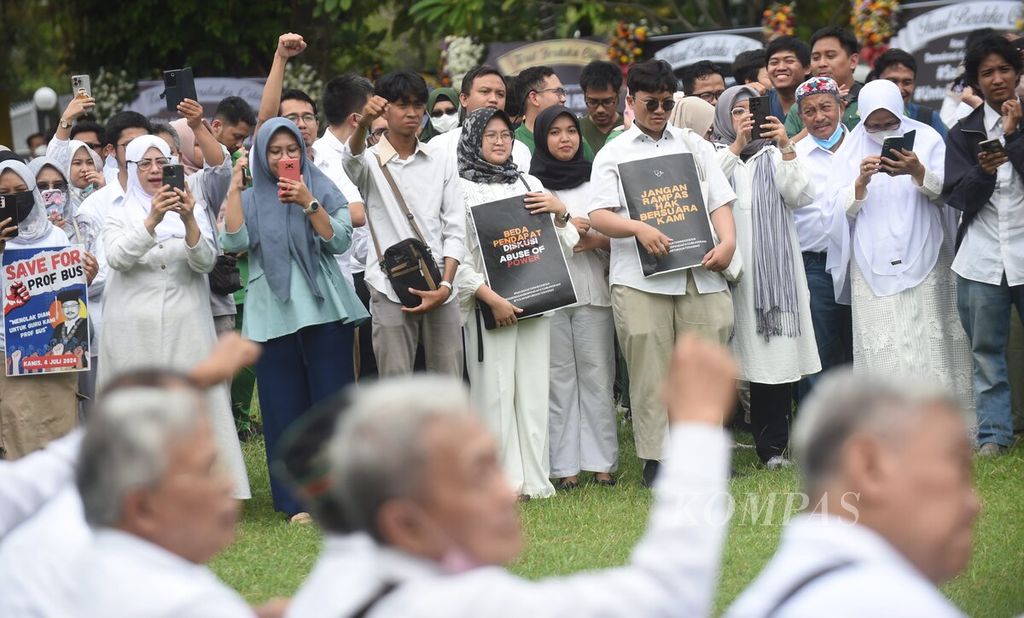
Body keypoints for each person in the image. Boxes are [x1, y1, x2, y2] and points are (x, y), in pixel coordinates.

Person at [287, 334, 737, 618]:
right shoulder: (455, 604)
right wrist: (697, 428)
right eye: (477, 475)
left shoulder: (346, 567)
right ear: (404, 525)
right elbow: (669, 596)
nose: (507, 490)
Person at [588, 59, 737, 485]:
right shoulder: (613, 152)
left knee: (705, 369)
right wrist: (636, 227)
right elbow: (598, 214)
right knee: (650, 371)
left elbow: (719, 203)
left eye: (667, 103)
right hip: (639, 278)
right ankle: (658, 460)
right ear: (630, 101)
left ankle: (706, 455)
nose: (659, 110)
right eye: (651, 103)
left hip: (700, 272)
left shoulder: (695, 145)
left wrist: (727, 242)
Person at [726, 370, 978, 617]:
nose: (975, 504)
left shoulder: (769, 594)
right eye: (957, 469)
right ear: (868, 466)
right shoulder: (887, 604)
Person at [222, 118, 364, 520]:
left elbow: (338, 239)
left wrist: (307, 202)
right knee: (283, 410)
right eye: (275, 151)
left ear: (303, 153)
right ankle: (296, 502)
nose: (284, 158)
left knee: (332, 406)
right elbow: (232, 243)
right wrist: (235, 189)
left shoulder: (318, 185)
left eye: (291, 150)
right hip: (272, 314)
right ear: (261, 156)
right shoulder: (249, 199)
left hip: (325, 308)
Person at [98, 135, 249, 499]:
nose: (154, 171)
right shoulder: (116, 211)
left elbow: (205, 262)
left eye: (161, 162)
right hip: (132, 325)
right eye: (144, 163)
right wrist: (152, 220)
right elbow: (118, 258)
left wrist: (188, 220)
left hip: (186, 320)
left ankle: (204, 488)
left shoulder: (191, 208)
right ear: (130, 169)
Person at [827, 80, 974, 420]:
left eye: (890, 124)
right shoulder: (849, 151)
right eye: (873, 126)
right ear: (861, 119)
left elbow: (949, 198)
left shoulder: (928, 138)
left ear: (900, 112)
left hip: (928, 252)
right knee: (886, 342)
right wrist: (860, 183)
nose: (881, 132)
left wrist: (917, 171)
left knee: (930, 338)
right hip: (871, 259)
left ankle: (944, 423)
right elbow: (835, 215)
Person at [453, 108, 578, 499]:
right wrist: (488, 296)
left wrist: (561, 213)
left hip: (535, 302)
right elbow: (454, 255)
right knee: (495, 392)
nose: (498, 141)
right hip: (490, 307)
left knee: (534, 391)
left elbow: (566, 246)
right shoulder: (458, 189)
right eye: (489, 134)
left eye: (505, 134)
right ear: (473, 138)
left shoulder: (528, 181)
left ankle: (536, 481)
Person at [66, 385, 256, 617]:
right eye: (206, 471)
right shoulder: (192, 602)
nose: (228, 485)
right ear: (142, 506)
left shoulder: (80, 573)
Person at [712, 85, 818, 467]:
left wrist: (787, 144)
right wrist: (736, 146)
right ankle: (720, 446)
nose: (745, 118)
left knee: (773, 363)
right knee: (724, 363)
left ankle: (772, 448)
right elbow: (706, 189)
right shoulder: (715, 155)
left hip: (774, 281)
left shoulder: (775, 155)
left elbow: (801, 195)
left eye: (751, 110)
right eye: (736, 111)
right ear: (723, 116)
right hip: (727, 276)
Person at [344, 71, 466, 377]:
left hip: (441, 285)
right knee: (395, 389)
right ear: (385, 108)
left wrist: (446, 286)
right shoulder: (369, 160)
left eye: (417, 104)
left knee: (448, 387)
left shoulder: (441, 158)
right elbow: (351, 159)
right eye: (402, 104)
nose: (412, 113)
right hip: (388, 288)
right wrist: (361, 124)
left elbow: (455, 227)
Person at [943, 34, 1024, 456]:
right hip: (982, 258)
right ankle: (995, 435)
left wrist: (1012, 137)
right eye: (987, 73)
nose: (997, 79)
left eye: (1004, 70)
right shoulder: (964, 131)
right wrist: (985, 169)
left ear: (1017, 72)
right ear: (975, 80)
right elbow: (958, 196)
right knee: (987, 351)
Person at [529, 105, 617, 489]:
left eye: (571, 131)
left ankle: (602, 463)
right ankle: (565, 467)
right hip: (549, 297)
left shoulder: (596, 180)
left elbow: (616, 238)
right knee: (558, 380)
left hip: (593, 291)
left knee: (599, 377)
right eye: (555, 132)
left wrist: (593, 237)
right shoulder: (530, 185)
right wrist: (564, 222)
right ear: (541, 138)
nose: (565, 139)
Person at [0, 160, 91, 459]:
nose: (14, 198)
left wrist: (83, 278)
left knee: (60, 437)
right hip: (8, 359)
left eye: (21, 190)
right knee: (17, 435)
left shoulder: (55, 236)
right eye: (4, 193)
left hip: (55, 357)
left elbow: (65, 295)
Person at [789, 78, 854, 402]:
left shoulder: (861, 146)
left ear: (841, 107)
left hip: (860, 261)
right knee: (820, 348)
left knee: (859, 343)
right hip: (814, 263)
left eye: (826, 107)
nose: (819, 117)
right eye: (809, 111)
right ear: (801, 116)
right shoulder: (794, 155)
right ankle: (818, 430)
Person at [428, 65, 533, 172]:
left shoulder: (520, 150)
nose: (493, 99)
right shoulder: (440, 146)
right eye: (485, 92)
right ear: (464, 99)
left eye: (500, 94)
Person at [785, 27, 863, 137]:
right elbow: (785, 149)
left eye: (830, 56)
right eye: (815, 58)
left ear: (853, 61)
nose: (821, 64)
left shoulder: (868, 99)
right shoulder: (800, 106)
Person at [514, 66, 595, 160]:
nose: (563, 99)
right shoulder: (513, 144)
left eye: (563, 92)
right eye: (558, 92)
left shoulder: (576, 140)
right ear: (534, 98)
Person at [871, 48, 948, 139]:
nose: (899, 89)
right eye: (892, 81)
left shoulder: (929, 119)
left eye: (907, 82)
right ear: (875, 81)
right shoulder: (858, 118)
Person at [578, 60, 623, 155]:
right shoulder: (576, 130)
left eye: (607, 102)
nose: (600, 110)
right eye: (593, 102)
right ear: (584, 95)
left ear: (619, 94)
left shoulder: (630, 128)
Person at [765, 35, 812, 120]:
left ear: (807, 68)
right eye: (774, 62)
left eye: (789, 61)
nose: (781, 68)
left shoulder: (820, 101)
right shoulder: (761, 102)